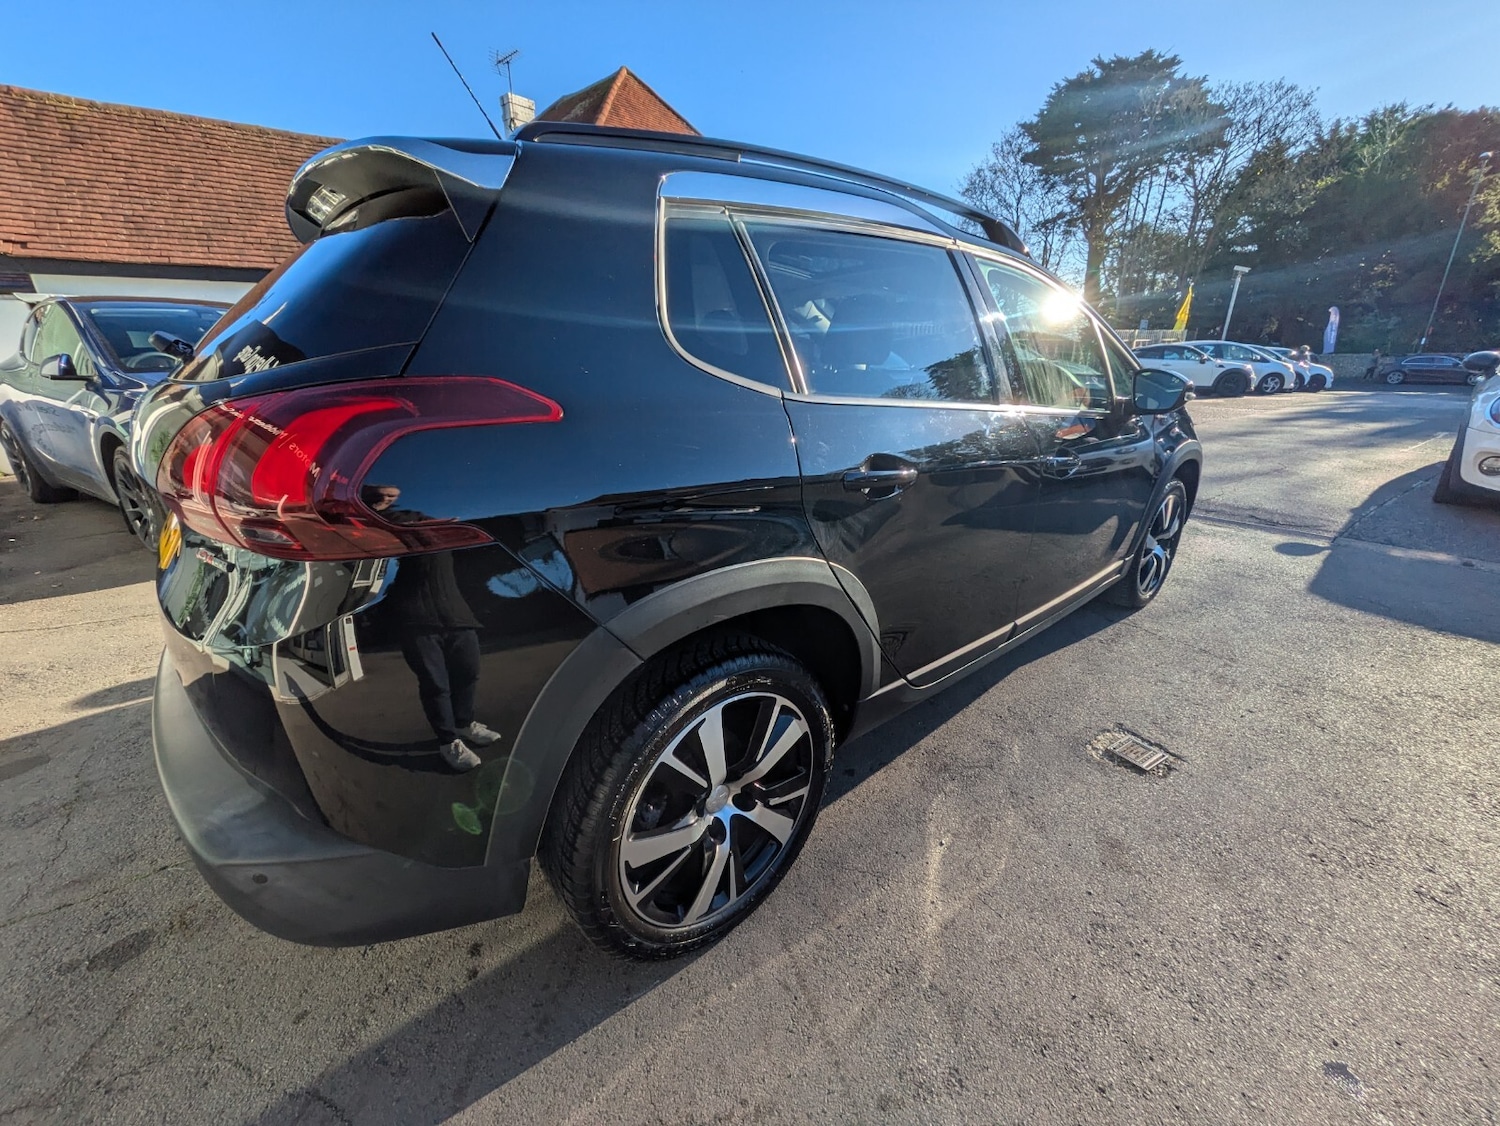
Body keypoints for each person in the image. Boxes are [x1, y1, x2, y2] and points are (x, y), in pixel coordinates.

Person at [363, 485, 499, 772]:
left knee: (468, 672)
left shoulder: (452, 527)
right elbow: (370, 522)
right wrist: (376, 502)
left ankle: (463, 723)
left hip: (457, 615)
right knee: (436, 684)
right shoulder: (401, 522)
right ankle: (448, 741)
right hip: (417, 620)